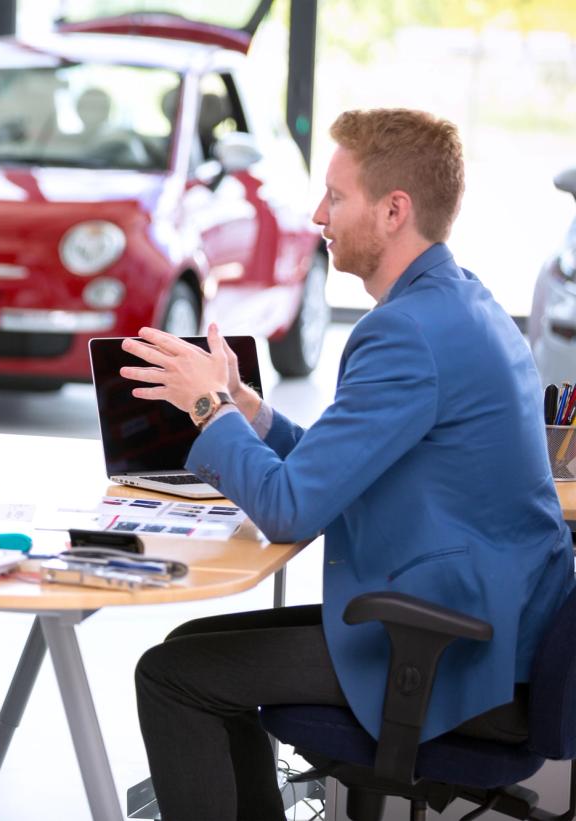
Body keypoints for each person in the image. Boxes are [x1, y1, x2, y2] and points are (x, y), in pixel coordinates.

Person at [121, 108, 575, 819]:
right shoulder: (459, 303)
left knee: (174, 676)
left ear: (395, 210)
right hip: (493, 625)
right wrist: (249, 410)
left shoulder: (404, 332)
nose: (316, 213)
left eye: (335, 195)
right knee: (191, 650)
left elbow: (289, 508)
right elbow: (335, 471)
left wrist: (208, 409)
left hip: (453, 649)